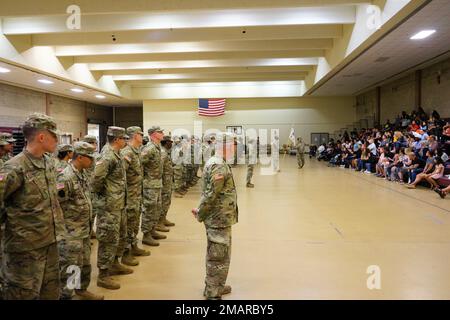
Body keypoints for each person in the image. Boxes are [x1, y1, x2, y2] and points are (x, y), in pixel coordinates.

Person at [0, 113, 65, 299]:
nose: (57, 141)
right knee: (23, 294)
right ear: (42, 137)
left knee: (51, 292)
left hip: (50, 242)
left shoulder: (48, 163)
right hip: (24, 250)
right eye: (54, 136)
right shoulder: (14, 168)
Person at [191, 133, 238, 300]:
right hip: (218, 218)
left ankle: (216, 285)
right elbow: (211, 194)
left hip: (219, 216)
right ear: (224, 145)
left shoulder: (216, 162)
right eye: (233, 144)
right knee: (218, 256)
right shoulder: (218, 165)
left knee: (219, 253)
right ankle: (212, 292)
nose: (235, 148)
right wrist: (200, 212)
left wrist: (200, 210)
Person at [56, 142, 104, 300]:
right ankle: (67, 295)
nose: (92, 160)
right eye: (90, 157)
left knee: (84, 263)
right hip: (71, 231)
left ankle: (81, 289)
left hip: (84, 229)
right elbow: (57, 206)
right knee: (71, 265)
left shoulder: (82, 173)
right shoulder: (66, 176)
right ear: (81, 157)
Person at [92, 126, 131, 290]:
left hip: (119, 203)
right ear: (117, 140)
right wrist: (105, 196)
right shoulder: (107, 155)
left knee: (120, 235)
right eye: (124, 139)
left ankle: (115, 263)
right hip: (109, 206)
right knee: (108, 239)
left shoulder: (117, 153)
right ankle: (103, 274)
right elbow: (96, 180)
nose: (126, 141)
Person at [121, 127, 150, 267]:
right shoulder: (127, 152)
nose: (142, 136)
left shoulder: (137, 151)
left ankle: (133, 246)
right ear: (134, 135)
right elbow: (121, 176)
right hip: (130, 196)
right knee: (129, 224)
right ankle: (126, 254)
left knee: (134, 223)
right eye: (140, 134)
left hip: (137, 194)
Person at [141, 126, 166, 246]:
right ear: (152, 134)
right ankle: (146, 235)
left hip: (157, 183)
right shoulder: (149, 148)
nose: (162, 133)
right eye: (160, 132)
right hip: (150, 184)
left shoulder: (158, 148)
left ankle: (152, 230)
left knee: (156, 209)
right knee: (149, 209)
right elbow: (139, 164)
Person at [81, 135, 100, 239]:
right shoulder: (90, 156)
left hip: (91, 186)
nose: (95, 145)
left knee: (93, 211)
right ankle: (87, 233)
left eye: (96, 143)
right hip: (89, 186)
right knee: (90, 211)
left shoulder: (94, 155)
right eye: (93, 143)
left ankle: (90, 230)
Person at [160, 135, 176, 228]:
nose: (171, 143)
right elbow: (160, 169)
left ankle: (163, 218)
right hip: (164, 182)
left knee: (167, 201)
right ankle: (159, 222)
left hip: (167, 181)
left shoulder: (166, 152)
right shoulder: (163, 153)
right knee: (163, 201)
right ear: (166, 142)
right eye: (170, 142)